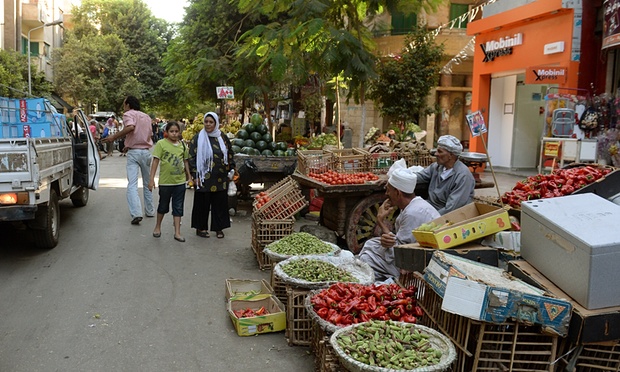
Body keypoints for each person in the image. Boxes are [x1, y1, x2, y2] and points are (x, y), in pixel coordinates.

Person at [358, 169, 439, 281]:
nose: (386, 194)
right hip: (410, 251)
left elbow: (400, 251)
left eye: (388, 190)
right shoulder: (412, 205)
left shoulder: (413, 212)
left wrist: (381, 221)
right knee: (371, 244)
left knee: (367, 258)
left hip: (418, 261)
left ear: (397, 192)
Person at [104, 96, 154, 225]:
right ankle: (150, 210)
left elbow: (131, 127)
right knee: (148, 182)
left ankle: (136, 213)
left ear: (128, 104)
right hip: (146, 152)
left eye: (124, 104)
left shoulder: (128, 114)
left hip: (134, 153)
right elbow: (149, 134)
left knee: (132, 184)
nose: (123, 106)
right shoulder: (146, 117)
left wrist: (114, 137)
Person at [189, 112, 235, 239]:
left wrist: (231, 169)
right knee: (202, 203)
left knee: (219, 203)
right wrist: (195, 175)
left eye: (211, 122)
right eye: (206, 122)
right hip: (203, 177)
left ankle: (218, 228)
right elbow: (192, 156)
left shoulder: (222, 137)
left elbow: (230, 153)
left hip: (220, 177)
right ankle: (201, 228)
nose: (208, 124)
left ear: (216, 123)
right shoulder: (198, 138)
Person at [148, 121, 191, 242]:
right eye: (171, 131)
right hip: (166, 183)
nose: (174, 134)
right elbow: (155, 161)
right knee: (163, 205)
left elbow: (186, 161)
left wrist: (189, 176)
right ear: (166, 132)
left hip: (180, 182)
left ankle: (177, 232)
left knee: (178, 207)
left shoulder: (183, 145)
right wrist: (151, 179)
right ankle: (157, 227)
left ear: (179, 132)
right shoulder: (161, 144)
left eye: (176, 131)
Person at [415, 135, 476, 215]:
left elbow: (451, 208)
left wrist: (431, 218)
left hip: (448, 216)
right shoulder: (436, 167)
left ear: (451, 155)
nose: (436, 154)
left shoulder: (463, 176)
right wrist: (401, 177)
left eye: (440, 152)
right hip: (431, 207)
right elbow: (419, 177)